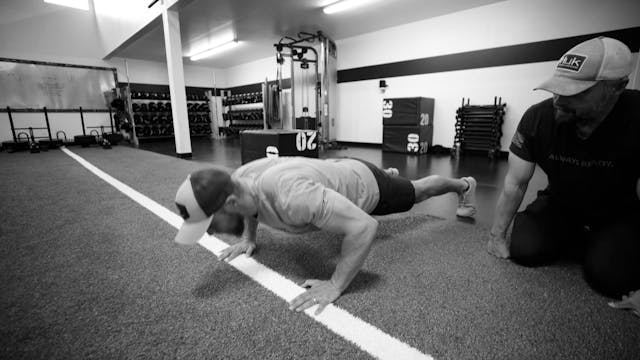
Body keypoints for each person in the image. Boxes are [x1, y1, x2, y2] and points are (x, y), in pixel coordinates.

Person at [174, 156, 478, 314]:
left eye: (211, 224)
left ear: (229, 204)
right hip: (333, 171)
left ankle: (463, 185)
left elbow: (364, 227)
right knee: (343, 194)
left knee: (417, 191)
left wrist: (335, 284)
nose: (212, 231)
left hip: (366, 186)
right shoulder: (239, 181)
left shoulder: (290, 196)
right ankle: (389, 176)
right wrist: (248, 239)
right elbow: (248, 207)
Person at [488, 36, 640, 316]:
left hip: (618, 212)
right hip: (561, 204)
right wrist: (497, 235)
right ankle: (583, 238)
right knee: (525, 251)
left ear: (617, 87)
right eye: (557, 89)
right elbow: (515, 182)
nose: (558, 100)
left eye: (575, 93)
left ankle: (601, 243)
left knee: (612, 278)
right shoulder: (538, 118)